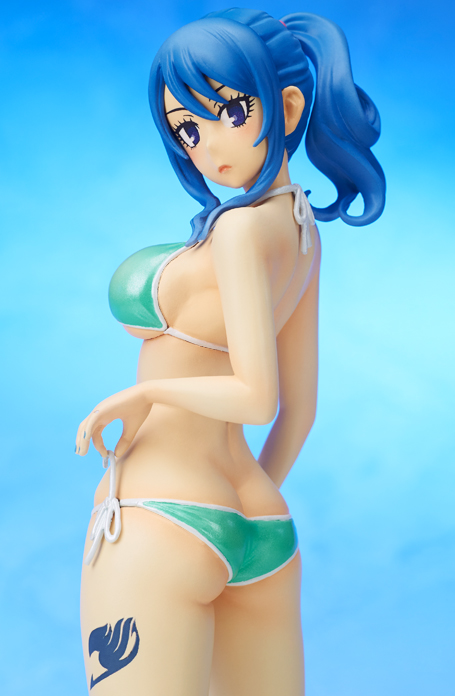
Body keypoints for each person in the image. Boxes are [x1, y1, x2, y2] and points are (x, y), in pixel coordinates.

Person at [76, 8, 385, 695]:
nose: (207, 145)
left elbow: (258, 397)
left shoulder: (240, 232)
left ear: (287, 107)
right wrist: (241, 517)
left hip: (159, 514)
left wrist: (146, 393)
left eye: (228, 112)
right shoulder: (302, 230)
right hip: (260, 526)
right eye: (187, 129)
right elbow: (300, 411)